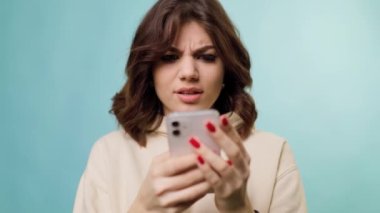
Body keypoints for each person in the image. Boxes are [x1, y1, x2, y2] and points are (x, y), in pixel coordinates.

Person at [73, 0, 307, 212]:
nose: (188, 73)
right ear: (149, 69)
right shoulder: (108, 154)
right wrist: (144, 208)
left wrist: (237, 207)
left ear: (226, 67)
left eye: (206, 57)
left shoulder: (275, 152)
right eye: (169, 57)